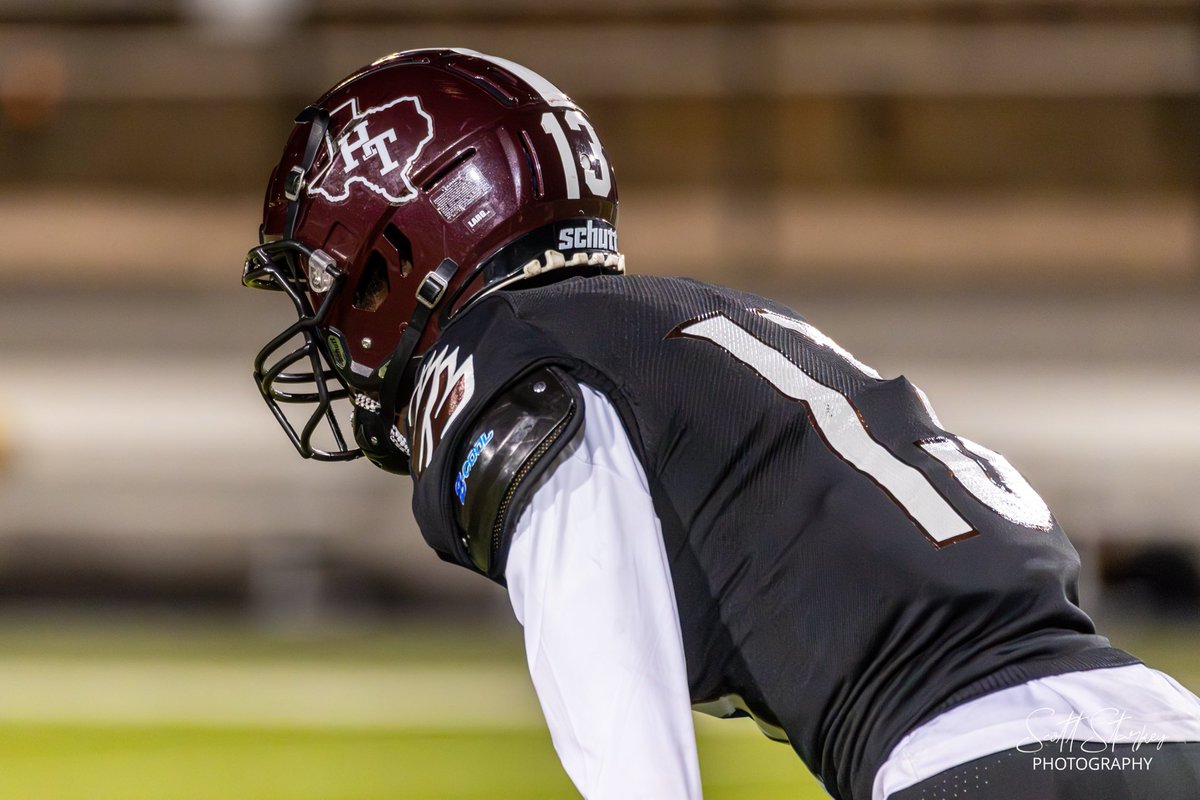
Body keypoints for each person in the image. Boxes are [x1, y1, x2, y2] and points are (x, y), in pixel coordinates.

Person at [241, 48, 1200, 800]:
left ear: (404, 253)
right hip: (1158, 728)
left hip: (981, 763)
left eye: (331, 286)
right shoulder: (695, 325)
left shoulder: (512, 354)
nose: (326, 328)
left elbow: (620, 711)